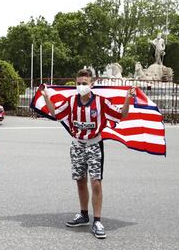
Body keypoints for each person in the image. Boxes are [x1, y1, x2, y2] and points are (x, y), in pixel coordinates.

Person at [40, 69, 134, 239]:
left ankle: (97, 220)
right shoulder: (70, 102)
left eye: (85, 83)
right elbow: (56, 113)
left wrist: (128, 99)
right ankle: (83, 215)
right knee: (80, 181)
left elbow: (122, 114)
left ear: (92, 84)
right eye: (79, 83)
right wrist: (46, 96)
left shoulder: (101, 102)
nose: (81, 86)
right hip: (77, 145)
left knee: (96, 182)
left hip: (94, 145)